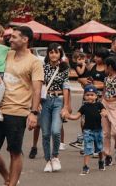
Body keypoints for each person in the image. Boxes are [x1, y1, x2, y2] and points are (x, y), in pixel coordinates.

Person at [0, 25, 43, 186]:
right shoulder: (6, 54)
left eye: (14, 37)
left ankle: (12, 184)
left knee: (14, 152)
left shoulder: (34, 62)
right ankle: (7, 177)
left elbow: (37, 90)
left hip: (18, 112)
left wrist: (33, 113)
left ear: (25, 40)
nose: (10, 39)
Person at [38, 43, 71, 173]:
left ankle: (55, 156)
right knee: (45, 133)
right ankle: (47, 160)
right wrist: (36, 103)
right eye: (51, 52)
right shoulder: (42, 67)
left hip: (58, 100)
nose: (53, 54)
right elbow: (38, 85)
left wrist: (66, 106)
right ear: (48, 54)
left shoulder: (64, 68)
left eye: (56, 52)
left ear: (60, 54)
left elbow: (66, 86)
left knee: (56, 131)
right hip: (45, 100)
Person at [65, 85, 107, 174]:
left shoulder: (99, 104)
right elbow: (76, 116)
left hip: (98, 130)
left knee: (99, 148)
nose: (90, 97)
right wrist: (68, 116)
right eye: (87, 95)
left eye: (92, 94)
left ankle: (101, 161)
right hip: (87, 131)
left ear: (96, 96)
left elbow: (104, 111)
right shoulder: (84, 107)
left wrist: (104, 113)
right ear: (84, 96)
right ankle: (86, 166)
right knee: (87, 148)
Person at [101, 56, 116, 166]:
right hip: (105, 104)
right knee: (106, 132)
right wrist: (100, 105)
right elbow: (104, 92)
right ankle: (107, 155)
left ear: (110, 66)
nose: (104, 68)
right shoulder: (106, 78)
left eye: (105, 66)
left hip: (115, 105)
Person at [0, 25, 9, 123]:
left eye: (1, 36)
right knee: (1, 87)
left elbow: (14, 51)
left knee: (1, 89)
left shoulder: (4, 48)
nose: (0, 39)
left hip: (2, 73)